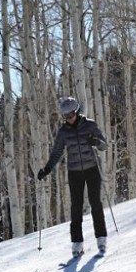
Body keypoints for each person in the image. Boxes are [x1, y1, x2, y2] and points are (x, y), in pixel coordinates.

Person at [37, 97, 108, 257]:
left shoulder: (90, 125)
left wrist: (95, 141)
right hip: (74, 172)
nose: (68, 119)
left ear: (76, 112)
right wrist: (47, 169)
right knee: (76, 207)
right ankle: (77, 243)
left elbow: (104, 145)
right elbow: (57, 152)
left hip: (91, 169)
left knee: (95, 203)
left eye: (70, 116)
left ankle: (101, 238)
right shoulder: (63, 132)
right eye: (65, 117)